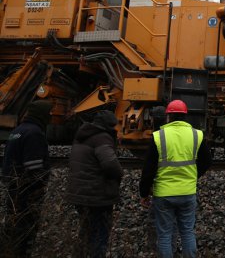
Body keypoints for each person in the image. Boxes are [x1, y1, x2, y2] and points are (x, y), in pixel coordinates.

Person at [139, 99, 212, 258]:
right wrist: (193, 176)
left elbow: (148, 169)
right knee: (187, 232)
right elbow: (207, 161)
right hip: (187, 192)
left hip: (164, 194)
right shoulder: (197, 134)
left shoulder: (159, 136)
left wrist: (144, 193)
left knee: (165, 234)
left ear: (168, 117)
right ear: (185, 116)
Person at [65, 110, 124, 258]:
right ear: (107, 125)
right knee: (99, 235)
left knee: (86, 232)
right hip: (96, 195)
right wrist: (120, 174)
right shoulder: (102, 138)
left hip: (79, 193)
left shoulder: (82, 135)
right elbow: (110, 163)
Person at [1, 99, 52, 258]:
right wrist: (39, 187)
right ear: (42, 115)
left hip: (13, 188)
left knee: (12, 225)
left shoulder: (17, 131)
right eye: (49, 112)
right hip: (27, 192)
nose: (51, 116)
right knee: (25, 229)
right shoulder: (34, 133)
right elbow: (34, 167)